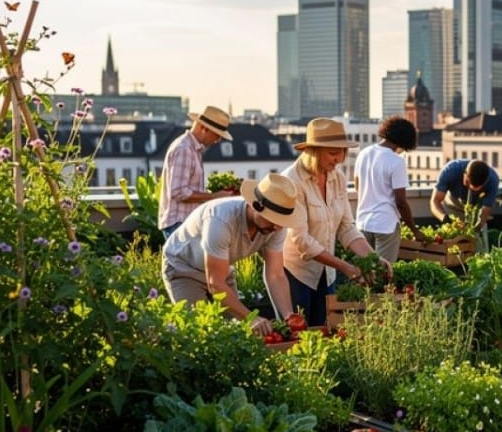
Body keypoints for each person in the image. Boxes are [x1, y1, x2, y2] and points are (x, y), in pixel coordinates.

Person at [162, 173, 305, 337]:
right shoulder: (221, 220)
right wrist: (251, 318)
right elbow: (215, 284)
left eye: (281, 221)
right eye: (272, 219)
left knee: (238, 335)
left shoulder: (276, 227)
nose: (277, 227)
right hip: (184, 268)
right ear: (255, 206)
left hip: (221, 270)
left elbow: (276, 275)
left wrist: (288, 316)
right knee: (196, 332)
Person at [282, 118, 392, 326]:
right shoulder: (292, 181)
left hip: (327, 273)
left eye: (342, 152)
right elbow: (301, 239)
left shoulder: (337, 178)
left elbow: (346, 227)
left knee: (327, 331)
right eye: (333, 153)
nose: (339, 159)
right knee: (299, 334)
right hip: (296, 274)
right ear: (314, 151)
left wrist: (373, 258)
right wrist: (345, 267)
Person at [158, 105, 237, 238]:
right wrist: (214, 196)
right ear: (204, 128)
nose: (217, 140)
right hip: (179, 223)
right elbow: (179, 192)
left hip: (184, 222)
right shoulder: (185, 149)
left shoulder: (192, 149)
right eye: (217, 135)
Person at [353, 116, 424, 262]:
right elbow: (401, 202)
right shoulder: (397, 161)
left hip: (362, 223)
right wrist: (415, 230)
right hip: (386, 225)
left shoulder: (363, 153)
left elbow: (357, 186)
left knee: (365, 270)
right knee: (384, 271)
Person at [430, 158, 499, 228]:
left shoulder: (493, 180)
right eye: (467, 184)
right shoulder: (450, 170)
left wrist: (477, 227)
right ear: (464, 174)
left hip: (476, 210)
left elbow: (485, 210)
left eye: (476, 190)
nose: (470, 190)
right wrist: (445, 219)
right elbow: (435, 201)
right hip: (452, 206)